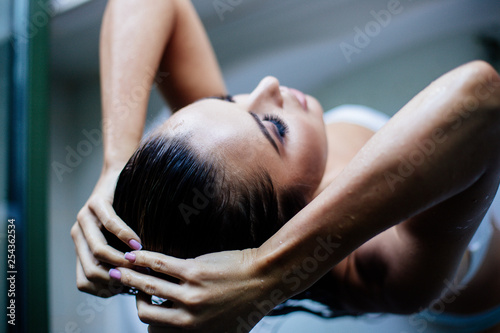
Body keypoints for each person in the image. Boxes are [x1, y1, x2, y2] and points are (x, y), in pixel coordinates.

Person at [70, 0, 500, 332]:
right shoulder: (374, 266)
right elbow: (482, 102)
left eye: (225, 102)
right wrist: (267, 273)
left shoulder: (230, 166)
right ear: (288, 223)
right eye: (275, 128)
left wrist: (116, 163)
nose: (266, 86)